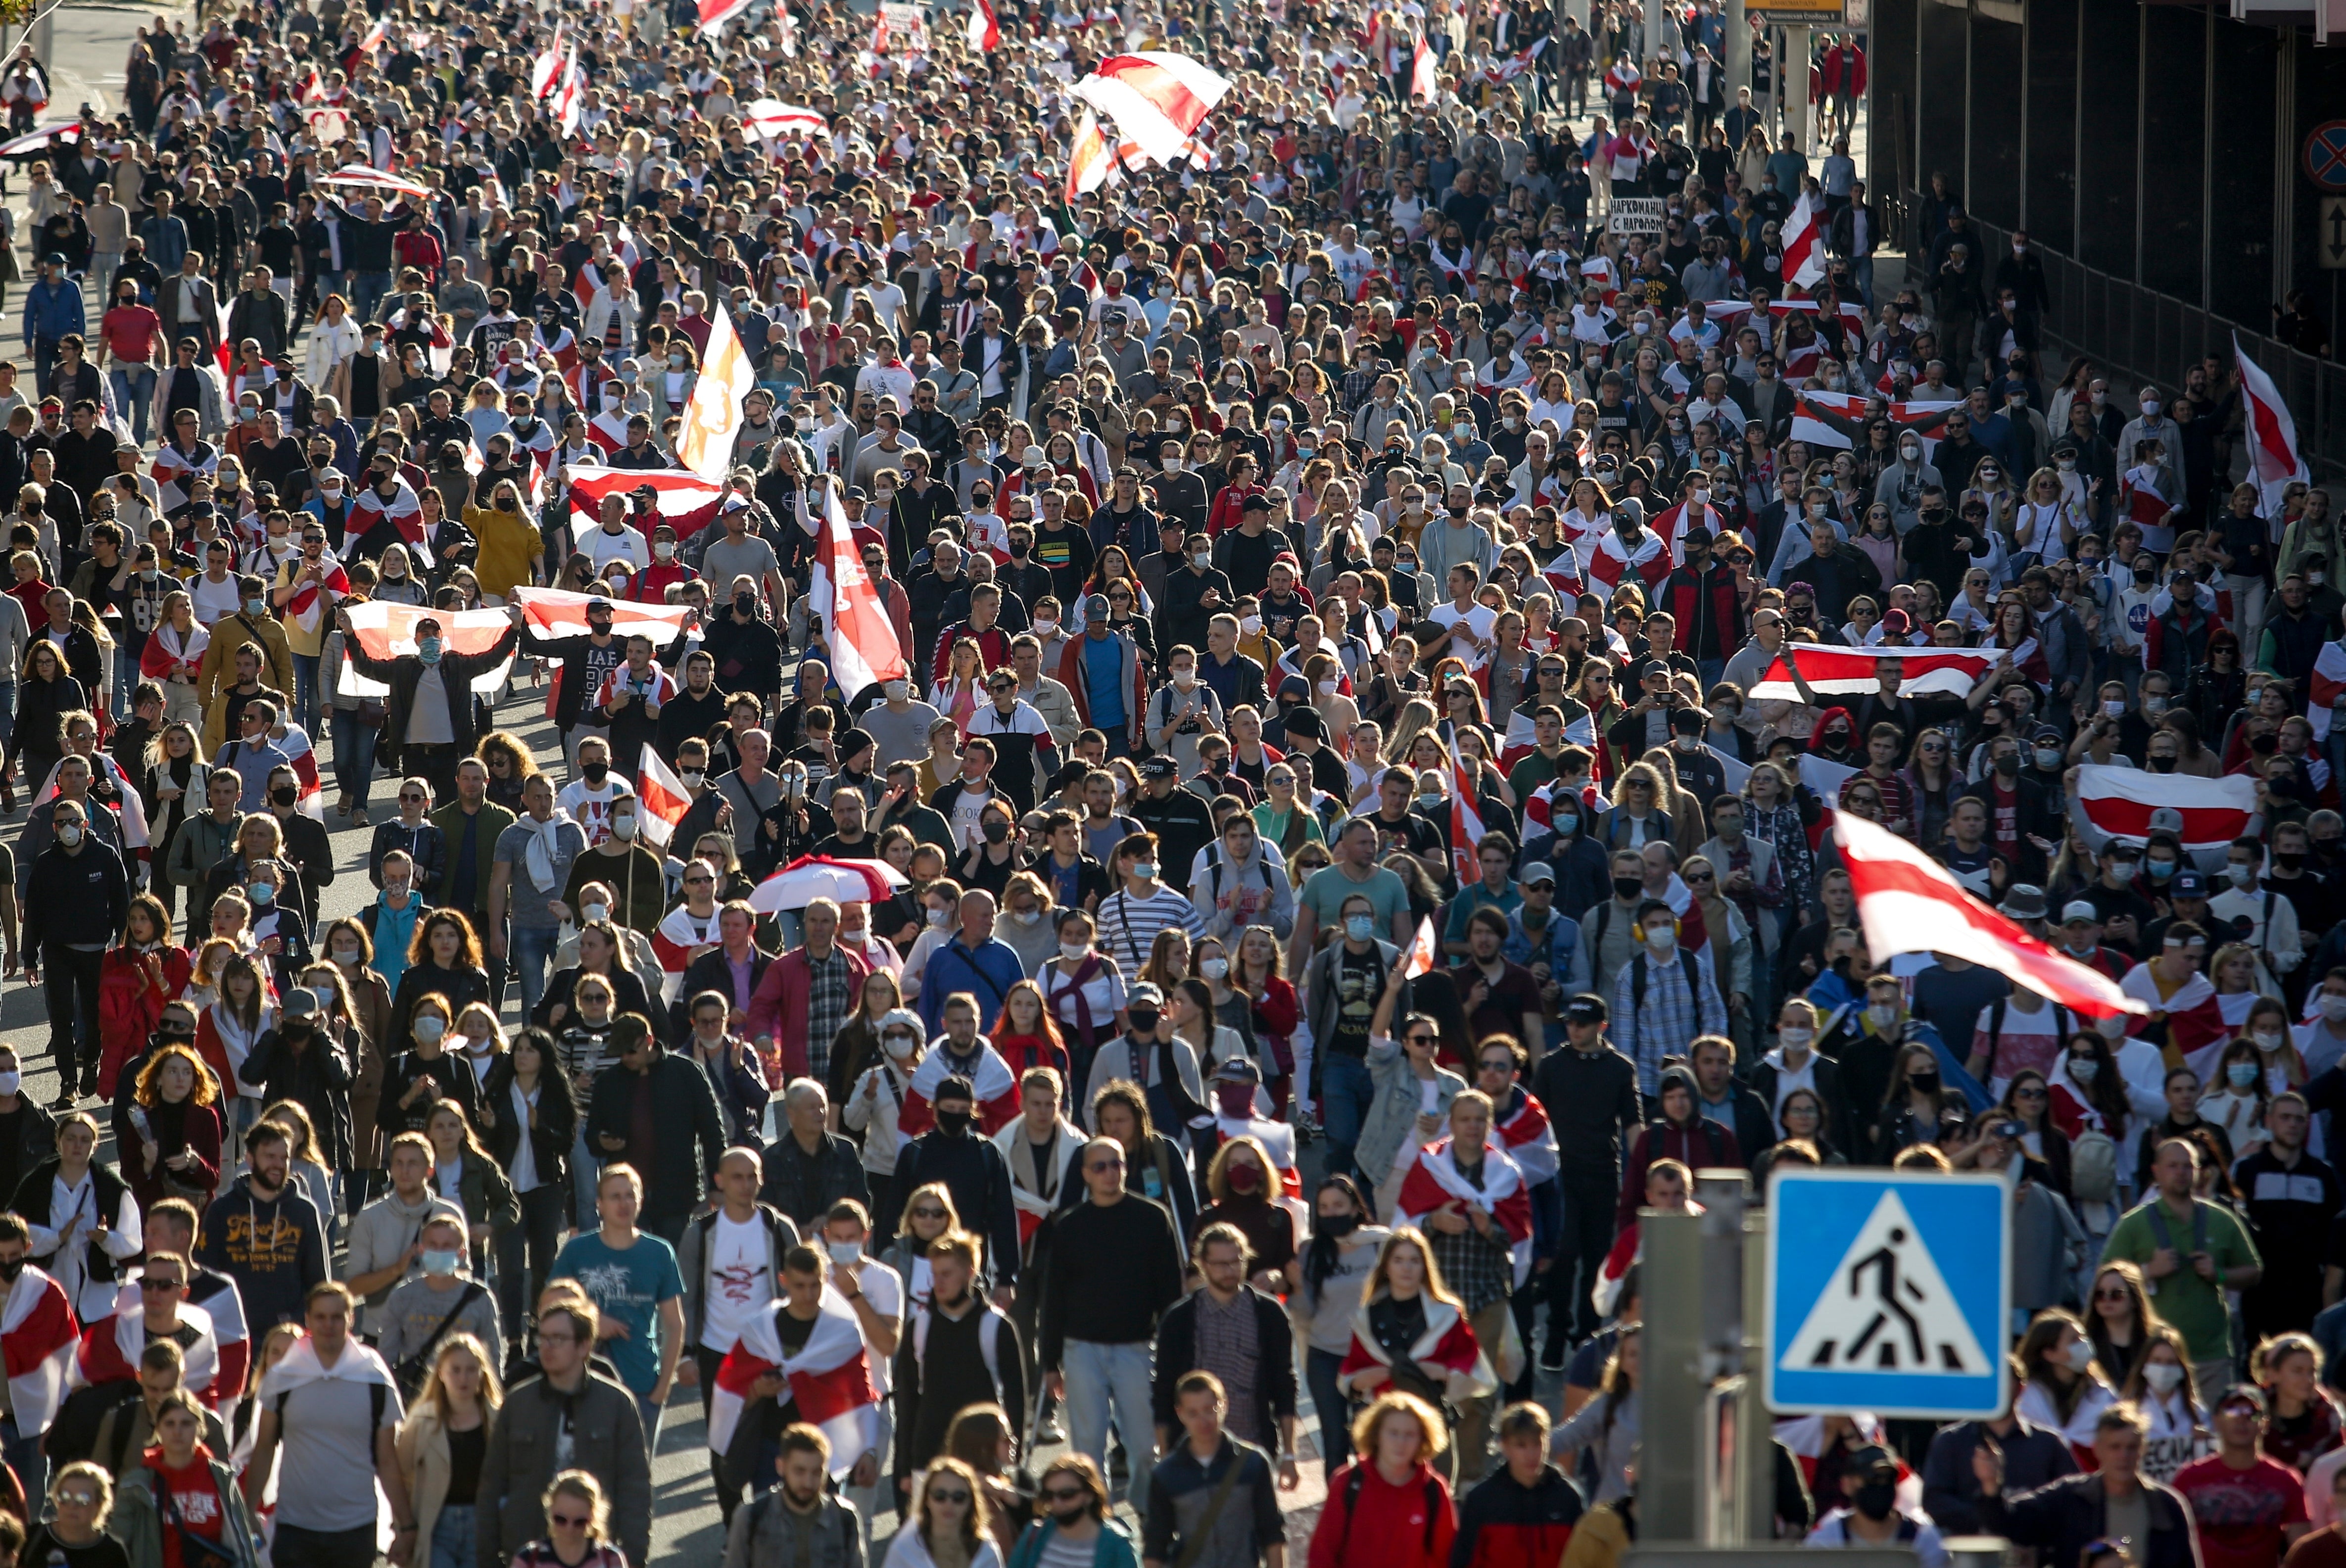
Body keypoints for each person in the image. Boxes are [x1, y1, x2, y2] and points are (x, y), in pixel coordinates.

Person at [1040, 1134, 1187, 1486]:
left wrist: (1172, 1356)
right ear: (1086, 1174)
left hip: (1136, 1348)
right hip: (1081, 1349)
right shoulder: (1069, 1225)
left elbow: (1169, 1295)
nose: (1110, 1173)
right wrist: (1050, 1364)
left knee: (1143, 1447)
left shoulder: (1153, 1218)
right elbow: (1053, 1299)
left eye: (1117, 1163)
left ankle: (1149, 1521)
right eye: (1100, 1166)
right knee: (1086, 1452)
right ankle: (1094, 1524)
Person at [241, 1283, 413, 1568]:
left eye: (337, 1317)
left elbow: (387, 1459)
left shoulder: (374, 1378)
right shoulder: (284, 1378)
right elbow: (263, 1449)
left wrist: (405, 1525)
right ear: (308, 1320)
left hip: (355, 1527)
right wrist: (247, 1511)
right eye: (320, 1317)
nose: (328, 1325)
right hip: (295, 1526)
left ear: (351, 1319)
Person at [677, 1145, 798, 1524]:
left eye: (752, 1176)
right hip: (718, 1352)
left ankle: (769, 1520)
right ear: (719, 1182)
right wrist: (686, 1352)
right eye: (737, 1177)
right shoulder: (701, 1233)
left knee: (773, 1437)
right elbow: (686, 1296)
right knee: (723, 1441)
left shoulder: (779, 1228)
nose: (746, 1185)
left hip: (768, 1351)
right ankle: (734, 1525)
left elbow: (800, 1290)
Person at [2104, 1136, 2264, 1397]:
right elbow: (2106, 1279)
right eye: (2173, 1166)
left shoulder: (2221, 1219)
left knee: (2214, 1433)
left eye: (2188, 1166)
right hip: (2152, 1356)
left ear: (2198, 1172)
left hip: (2211, 1355)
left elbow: (2254, 1271)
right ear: (2156, 1171)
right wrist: (2147, 1272)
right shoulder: (2134, 1223)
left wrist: (2220, 1274)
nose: (2181, 1173)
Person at [1970, 1401, 2203, 1568]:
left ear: (2142, 1450)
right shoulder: (2071, 1499)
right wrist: (1991, 1485)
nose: (2123, 1456)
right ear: (2097, 1449)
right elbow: (2008, 1523)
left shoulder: (2167, 1506)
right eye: (2115, 1447)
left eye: (2131, 1447)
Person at [550, 1164, 685, 1445]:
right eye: (614, 1197)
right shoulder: (577, 1251)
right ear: (599, 1205)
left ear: (640, 1201)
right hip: (584, 1384)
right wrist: (591, 1320)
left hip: (642, 1384)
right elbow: (549, 1303)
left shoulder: (659, 1252)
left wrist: (661, 1391)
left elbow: (675, 1324)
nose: (623, 1204)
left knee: (636, 1483)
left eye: (630, 1195)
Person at [1142, 1370, 1288, 1568]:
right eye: (1193, 1413)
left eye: (1210, 1410)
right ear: (1181, 1414)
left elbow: (1272, 1531)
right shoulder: (1166, 1475)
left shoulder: (1253, 1463)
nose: (1203, 1421)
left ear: (1224, 1405)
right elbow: (1156, 1544)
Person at [107, 1387, 264, 1568]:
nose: (177, 1431)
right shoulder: (137, 1483)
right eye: (170, 1424)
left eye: (186, 1424)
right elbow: (118, 1546)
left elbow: (243, 1545)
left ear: (200, 1428)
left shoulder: (222, 1478)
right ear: (157, 1428)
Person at [1305, 1391, 1457, 1568]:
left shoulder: (1434, 1490)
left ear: (1422, 1440)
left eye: (1410, 1435)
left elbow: (1447, 1556)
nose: (1401, 1442)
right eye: (1393, 1433)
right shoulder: (1347, 1483)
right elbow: (1323, 1552)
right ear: (1377, 1435)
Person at [391, 1334, 501, 1568]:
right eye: (456, 1370)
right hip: (435, 1525)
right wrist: (403, 1528)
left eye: (471, 1370)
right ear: (441, 1373)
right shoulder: (421, 1422)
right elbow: (401, 1477)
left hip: (482, 1525)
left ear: (482, 1374)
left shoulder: (498, 1421)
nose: (464, 1378)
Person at [2174, 1382, 2312, 1568]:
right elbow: (2172, 1543)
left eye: (2252, 1413)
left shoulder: (2286, 1480)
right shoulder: (2189, 1478)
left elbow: (2301, 1551)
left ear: (2265, 1423)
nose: (2242, 1420)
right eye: (2232, 1411)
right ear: (2216, 1420)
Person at [1451, 1403, 1583, 1568]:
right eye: (1521, 1445)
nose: (1531, 1455)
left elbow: (1583, 1558)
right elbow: (1463, 1561)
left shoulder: (1568, 1497)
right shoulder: (1482, 1500)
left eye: (1538, 1444)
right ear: (1505, 1447)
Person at [720, 1423, 863, 1568]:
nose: (808, 1483)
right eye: (799, 1471)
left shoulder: (844, 1519)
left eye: (817, 1473)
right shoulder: (751, 1517)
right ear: (781, 1467)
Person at [1805, 1441, 1949, 1565]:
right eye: (1872, 1480)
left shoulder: (1923, 1538)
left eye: (1888, 1479)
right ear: (1847, 1485)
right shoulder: (1827, 1539)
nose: (1881, 1486)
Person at [1008, 1456, 1140, 1568]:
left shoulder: (1118, 1547)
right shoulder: (1034, 1535)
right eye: (1049, 1495)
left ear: (1090, 1495)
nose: (1057, 1503)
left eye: (1067, 1494)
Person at [885, 1457, 1004, 1568]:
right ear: (927, 1499)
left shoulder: (987, 1551)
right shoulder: (905, 1549)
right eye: (940, 1496)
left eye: (959, 1497)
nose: (949, 1505)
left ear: (970, 1503)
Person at [504, 1471, 634, 1568]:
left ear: (593, 1518)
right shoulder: (528, 1560)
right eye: (561, 1520)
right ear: (550, 1512)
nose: (569, 1529)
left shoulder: (611, 1560)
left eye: (580, 1522)